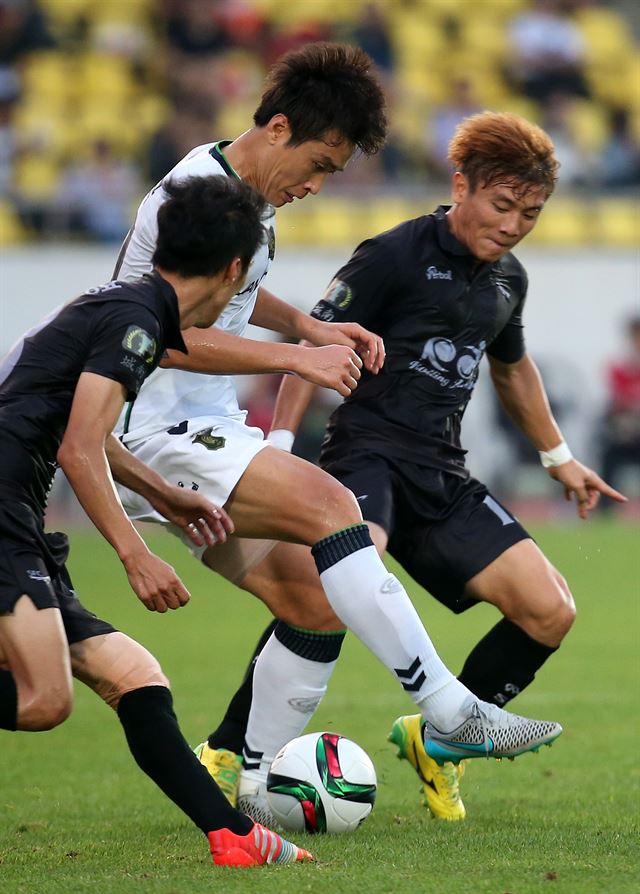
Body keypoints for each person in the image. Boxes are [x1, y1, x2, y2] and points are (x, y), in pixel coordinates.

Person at [112, 46, 564, 822]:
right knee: (336, 513)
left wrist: (309, 327)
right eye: (317, 163)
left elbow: (233, 297)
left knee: (313, 604)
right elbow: (158, 334)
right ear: (279, 127)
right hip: (154, 426)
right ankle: (450, 709)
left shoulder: (247, 202)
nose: (316, 185)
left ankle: (242, 792)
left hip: (202, 426)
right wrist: (298, 357)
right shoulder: (191, 196)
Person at [198, 111, 627, 825]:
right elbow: (317, 338)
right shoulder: (395, 254)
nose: (515, 223)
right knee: (338, 583)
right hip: (366, 452)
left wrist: (560, 459)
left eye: (532, 212)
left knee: (550, 610)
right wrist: (277, 446)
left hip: (443, 474)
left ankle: (438, 741)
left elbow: (514, 372)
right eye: (502, 205)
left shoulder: (507, 280)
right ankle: (228, 748)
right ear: (461, 186)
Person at [0, 175, 312, 868]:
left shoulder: (127, 310)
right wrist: (135, 552)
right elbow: (80, 449)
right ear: (234, 271)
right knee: (44, 698)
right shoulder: (136, 321)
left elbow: (87, 433)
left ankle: (232, 836)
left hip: (17, 515)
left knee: (134, 675)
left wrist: (163, 496)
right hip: (2, 515)